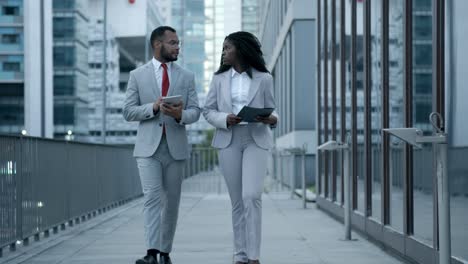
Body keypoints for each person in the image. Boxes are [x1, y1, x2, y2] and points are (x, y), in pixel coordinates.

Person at [123, 26, 200, 264]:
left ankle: (165, 253)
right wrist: (153, 108)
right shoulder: (138, 75)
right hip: (148, 149)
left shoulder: (187, 76)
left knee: (172, 203)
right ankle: (151, 253)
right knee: (152, 198)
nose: (178, 47)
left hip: (175, 147)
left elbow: (196, 111)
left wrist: (180, 115)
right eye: (173, 43)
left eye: (178, 43)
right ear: (158, 44)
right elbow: (128, 111)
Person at [203, 31, 278, 264]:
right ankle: (240, 254)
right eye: (223, 48)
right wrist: (225, 118)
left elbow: (272, 109)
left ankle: (254, 255)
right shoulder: (219, 79)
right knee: (237, 201)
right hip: (229, 139)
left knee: (252, 195)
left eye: (227, 48)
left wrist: (272, 118)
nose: (224, 52)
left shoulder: (264, 78)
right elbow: (208, 110)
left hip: (256, 137)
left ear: (241, 50)